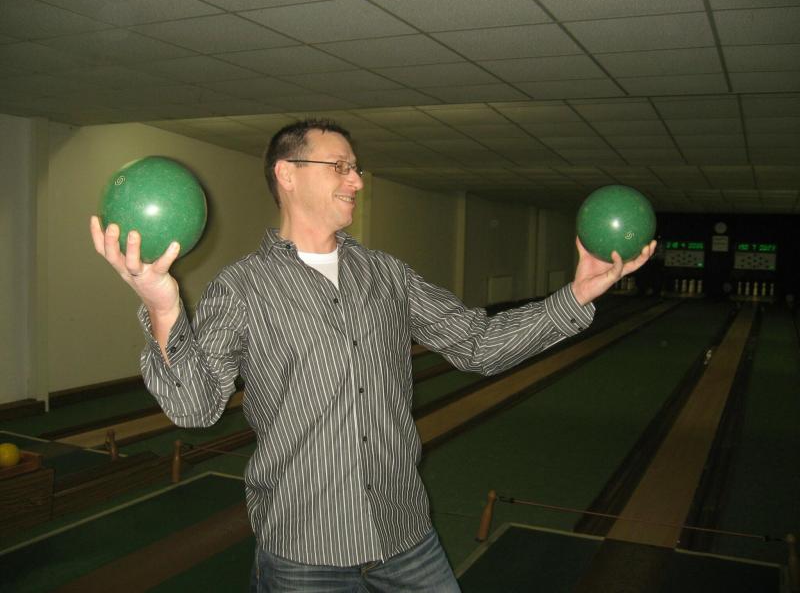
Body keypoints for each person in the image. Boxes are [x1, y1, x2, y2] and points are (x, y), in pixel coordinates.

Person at [90, 118, 655, 592]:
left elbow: (478, 344)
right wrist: (163, 309)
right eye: (340, 166)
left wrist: (577, 295)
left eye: (356, 168)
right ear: (287, 174)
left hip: (404, 534)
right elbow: (195, 408)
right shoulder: (241, 289)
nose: (357, 180)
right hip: (303, 551)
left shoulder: (387, 275)